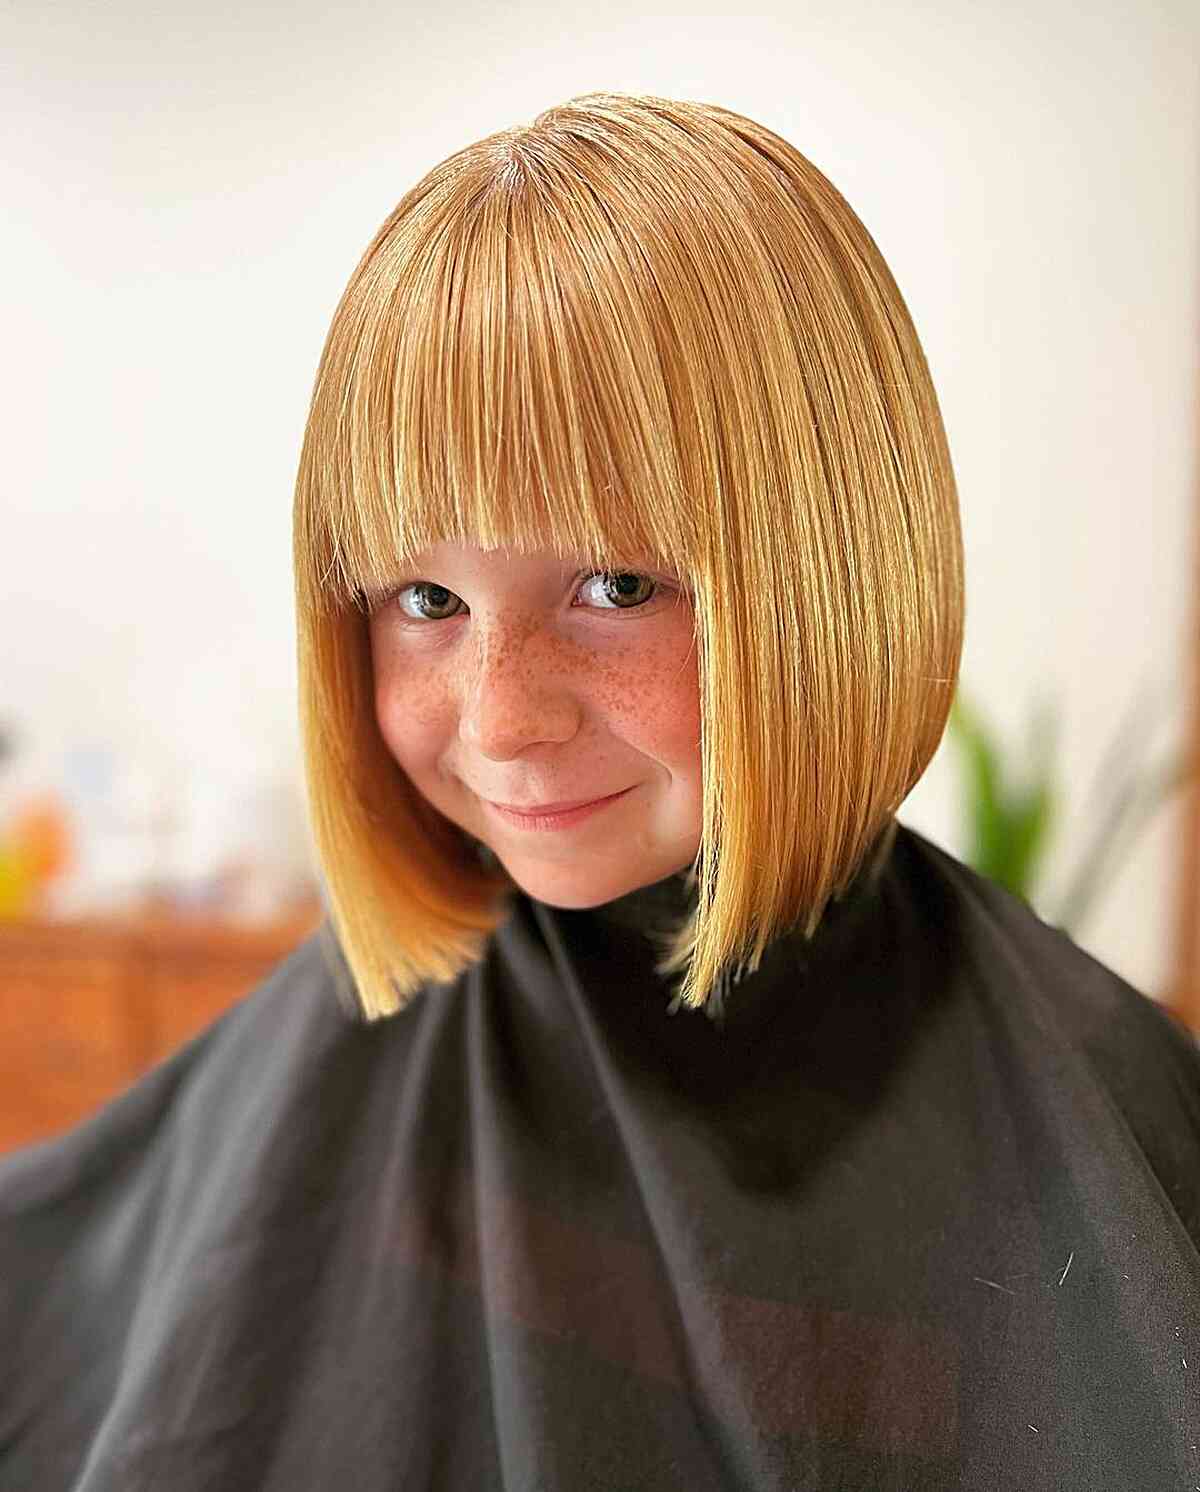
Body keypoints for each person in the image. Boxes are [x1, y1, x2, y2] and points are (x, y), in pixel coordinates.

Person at [2, 90, 1198, 1491]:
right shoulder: (347, 1034)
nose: (501, 719)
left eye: (617, 586)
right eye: (426, 597)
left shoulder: (1112, 1116)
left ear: (839, 577)